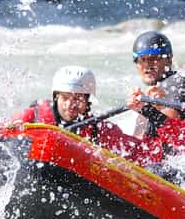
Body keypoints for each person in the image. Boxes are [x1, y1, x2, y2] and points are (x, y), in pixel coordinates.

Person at [13, 65, 161, 166]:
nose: (70, 105)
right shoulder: (34, 115)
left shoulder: (100, 130)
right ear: (56, 97)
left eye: (78, 99)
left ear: (88, 102)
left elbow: (147, 154)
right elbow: (1, 130)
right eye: (65, 98)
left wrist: (149, 111)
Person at [126, 31, 185, 137]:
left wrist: (148, 108)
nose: (146, 65)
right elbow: (139, 144)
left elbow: (175, 132)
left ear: (168, 59)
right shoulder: (149, 96)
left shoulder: (180, 81)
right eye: (141, 60)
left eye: (153, 58)